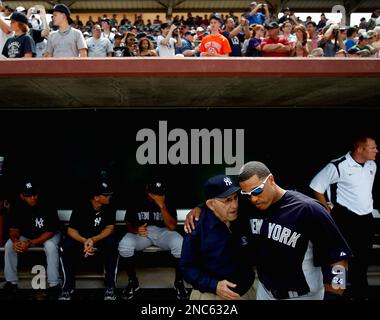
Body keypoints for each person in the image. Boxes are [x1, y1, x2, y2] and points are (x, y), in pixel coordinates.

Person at [185, 161, 352, 300]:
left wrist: (334, 296)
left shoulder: (308, 209)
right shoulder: (250, 206)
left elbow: (339, 260)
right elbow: (219, 203)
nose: (253, 198)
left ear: (271, 179)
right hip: (264, 293)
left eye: (257, 191)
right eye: (247, 194)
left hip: (302, 295)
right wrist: (199, 208)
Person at [309, 136, 378, 300]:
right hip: (345, 219)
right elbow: (316, 186)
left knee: (363, 260)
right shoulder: (338, 165)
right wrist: (328, 211)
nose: (376, 151)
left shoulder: (372, 165)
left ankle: (360, 294)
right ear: (360, 149)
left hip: (366, 219)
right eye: (373, 147)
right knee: (340, 261)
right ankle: (337, 295)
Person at [179, 174, 256, 300]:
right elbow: (186, 267)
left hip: (247, 293)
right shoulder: (196, 226)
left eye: (235, 198)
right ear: (210, 204)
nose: (234, 205)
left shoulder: (242, 214)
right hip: (211, 296)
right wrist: (214, 285)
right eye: (227, 200)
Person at [118, 179, 188, 300]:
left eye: (159, 193)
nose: (157, 196)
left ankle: (179, 282)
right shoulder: (136, 199)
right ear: (147, 191)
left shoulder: (167, 200)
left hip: (164, 232)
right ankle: (133, 281)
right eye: (154, 193)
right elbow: (128, 222)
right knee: (124, 245)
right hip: (143, 232)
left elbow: (172, 226)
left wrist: (162, 205)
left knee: (180, 244)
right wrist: (136, 230)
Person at [58, 179, 119, 301]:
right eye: (106, 195)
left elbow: (110, 228)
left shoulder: (109, 205)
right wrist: (85, 241)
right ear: (96, 197)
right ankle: (68, 286)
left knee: (113, 244)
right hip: (82, 239)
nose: (109, 196)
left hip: (100, 238)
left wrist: (93, 239)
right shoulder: (81, 206)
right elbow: (71, 231)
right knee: (65, 246)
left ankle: (110, 286)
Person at [3, 179, 61, 299]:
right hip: (28, 236)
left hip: (48, 235)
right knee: (9, 245)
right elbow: (13, 230)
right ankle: (11, 283)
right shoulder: (17, 205)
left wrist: (30, 243)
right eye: (29, 195)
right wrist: (16, 242)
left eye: (35, 194)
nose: (33, 197)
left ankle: (54, 284)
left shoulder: (47, 203)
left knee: (50, 246)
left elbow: (50, 232)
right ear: (22, 196)